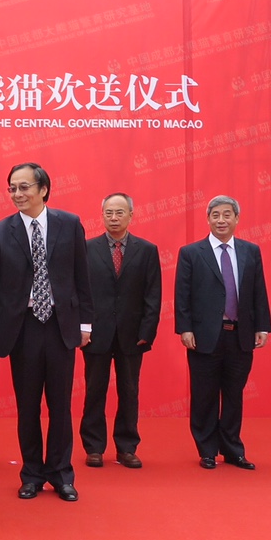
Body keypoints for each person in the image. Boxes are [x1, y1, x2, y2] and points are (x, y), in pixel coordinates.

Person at [0, 163, 94, 502]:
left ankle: (62, 474)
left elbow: (82, 277)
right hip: (24, 329)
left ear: (43, 189)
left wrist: (86, 325)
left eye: (24, 188)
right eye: (12, 189)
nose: (17, 195)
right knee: (28, 406)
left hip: (61, 326)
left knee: (61, 406)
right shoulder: (1, 231)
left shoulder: (70, 223)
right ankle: (32, 473)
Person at [174, 195, 271, 471]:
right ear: (208, 219)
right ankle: (207, 449)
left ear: (237, 219)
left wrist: (262, 326)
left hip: (240, 334)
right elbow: (182, 295)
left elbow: (258, 291)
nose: (221, 220)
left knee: (233, 394)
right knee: (204, 394)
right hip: (204, 335)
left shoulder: (250, 251)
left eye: (227, 215)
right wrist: (185, 328)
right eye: (215, 215)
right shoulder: (192, 253)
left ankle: (232, 450)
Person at [80, 193, 161, 469]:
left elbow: (153, 294)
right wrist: (83, 327)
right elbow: (80, 293)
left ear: (131, 215)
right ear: (102, 215)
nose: (114, 218)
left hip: (132, 333)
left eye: (119, 213)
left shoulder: (147, 250)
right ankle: (94, 447)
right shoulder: (87, 248)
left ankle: (127, 447)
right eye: (109, 213)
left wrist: (147, 332)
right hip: (96, 333)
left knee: (129, 391)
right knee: (94, 391)